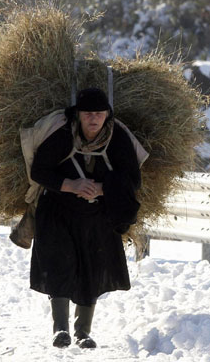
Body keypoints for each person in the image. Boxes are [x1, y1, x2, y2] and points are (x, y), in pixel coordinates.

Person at [29, 87, 141, 349]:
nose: (94, 119)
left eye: (99, 114)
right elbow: (39, 171)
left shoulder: (117, 138)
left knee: (91, 268)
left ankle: (83, 332)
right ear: (78, 115)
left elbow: (133, 179)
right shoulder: (63, 135)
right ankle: (60, 330)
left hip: (97, 213)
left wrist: (103, 188)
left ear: (107, 116)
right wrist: (71, 185)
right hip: (57, 210)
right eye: (88, 114)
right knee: (59, 264)